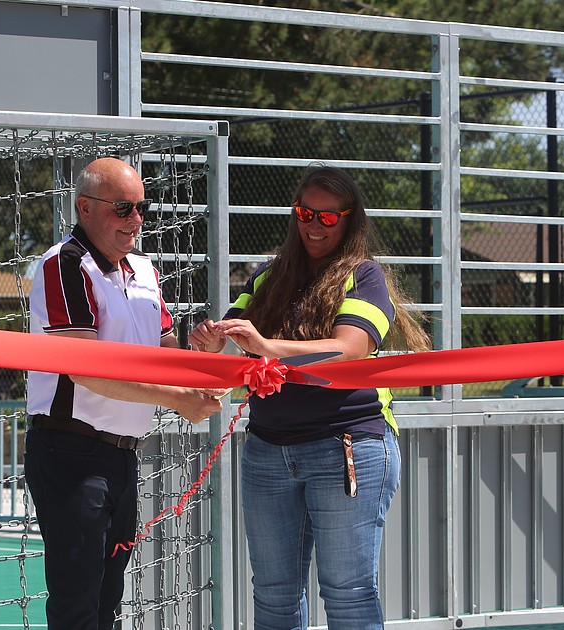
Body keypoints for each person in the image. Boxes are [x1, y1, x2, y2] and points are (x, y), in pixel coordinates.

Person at [188, 164, 430, 630]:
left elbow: (347, 348)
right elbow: (232, 338)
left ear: (350, 221)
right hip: (267, 450)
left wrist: (266, 346)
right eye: (305, 213)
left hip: (346, 447)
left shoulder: (365, 276)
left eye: (327, 217)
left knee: (348, 593)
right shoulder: (267, 276)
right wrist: (211, 340)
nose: (314, 225)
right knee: (274, 596)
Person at [24, 157, 225, 630]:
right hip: (69, 452)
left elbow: (168, 354)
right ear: (85, 208)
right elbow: (86, 371)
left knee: (108, 601)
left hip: (121, 456)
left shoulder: (144, 270)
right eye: (122, 208)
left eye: (141, 208)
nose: (136, 220)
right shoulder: (63, 265)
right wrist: (179, 400)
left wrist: (207, 354)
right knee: (78, 604)